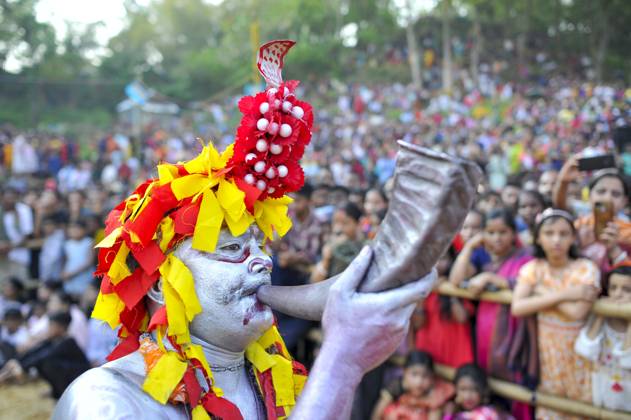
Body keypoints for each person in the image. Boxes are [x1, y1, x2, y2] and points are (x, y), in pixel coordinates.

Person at [53, 42, 443, 420]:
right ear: (158, 286)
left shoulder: (284, 382)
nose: (260, 260)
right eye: (229, 249)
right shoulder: (105, 400)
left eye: (258, 245)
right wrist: (341, 361)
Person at [512, 208, 600, 419]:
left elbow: (577, 312)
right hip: (547, 355)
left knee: (583, 408)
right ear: (539, 238)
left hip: (580, 354)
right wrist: (567, 293)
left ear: (573, 238)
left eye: (563, 234)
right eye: (549, 233)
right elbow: (518, 307)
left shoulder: (586, 268)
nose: (556, 240)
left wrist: (541, 292)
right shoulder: (534, 268)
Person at [449, 209, 533, 419]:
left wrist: (491, 279)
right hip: (486, 335)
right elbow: (455, 280)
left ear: (513, 233)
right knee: (491, 388)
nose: (496, 238)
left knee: (516, 385)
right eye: (491, 232)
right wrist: (469, 246)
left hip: (514, 335)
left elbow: (529, 284)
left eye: (502, 232)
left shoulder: (525, 258)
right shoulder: (482, 257)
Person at [574, 262, 631, 412]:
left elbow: (627, 361)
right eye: (613, 288)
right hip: (604, 391)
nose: (618, 294)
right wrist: (601, 315)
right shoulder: (601, 315)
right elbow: (585, 350)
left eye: (627, 290)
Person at [0, 311, 90, 399]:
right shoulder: (54, 339)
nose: (49, 329)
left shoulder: (68, 342)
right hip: (67, 373)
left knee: (48, 363)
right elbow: (35, 352)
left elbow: (43, 357)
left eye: (51, 325)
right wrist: (17, 361)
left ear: (61, 327)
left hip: (79, 380)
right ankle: (56, 391)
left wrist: (21, 367)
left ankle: (61, 393)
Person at [414, 247, 474, 368]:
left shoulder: (459, 285)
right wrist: (425, 293)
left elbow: (461, 317)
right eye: (432, 259)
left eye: (442, 259)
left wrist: (449, 289)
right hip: (429, 349)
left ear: (451, 261)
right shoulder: (420, 286)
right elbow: (418, 324)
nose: (436, 264)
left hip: (455, 350)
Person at [371, 351, 454, 420]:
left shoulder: (436, 394)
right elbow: (377, 413)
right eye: (414, 374)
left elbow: (435, 416)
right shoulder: (396, 386)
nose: (419, 382)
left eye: (425, 376)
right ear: (404, 372)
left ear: (432, 377)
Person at [312, 202, 365, 282]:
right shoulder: (330, 245)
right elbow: (315, 281)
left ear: (358, 224)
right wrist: (326, 259)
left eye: (345, 223)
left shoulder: (365, 247)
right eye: (335, 222)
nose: (338, 229)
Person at [444, 364, 514, 420]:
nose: (468, 396)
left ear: (483, 390)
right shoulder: (454, 411)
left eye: (474, 389)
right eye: (463, 389)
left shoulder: (487, 414)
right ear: (455, 388)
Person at [61, 219, 95, 296]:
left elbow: (89, 262)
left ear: (84, 230)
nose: (74, 231)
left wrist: (73, 273)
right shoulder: (67, 244)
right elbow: (66, 260)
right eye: (71, 229)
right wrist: (63, 273)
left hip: (84, 276)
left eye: (77, 228)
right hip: (69, 277)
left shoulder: (89, 242)